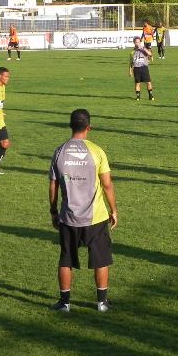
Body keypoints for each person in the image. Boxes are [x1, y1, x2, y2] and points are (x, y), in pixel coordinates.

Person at [48, 109, 118, 313]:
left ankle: (64, 303)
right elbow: (107, 185)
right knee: (101, 259)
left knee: (66, 259)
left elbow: (53, 186)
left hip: (68, 216)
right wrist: (113, 210)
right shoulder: (96, 151)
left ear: (70, 126)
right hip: (95, 217)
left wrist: (53, 211)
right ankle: (102, 303)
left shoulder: (59, 152)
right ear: (89, 127)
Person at [129, 36, 154, 101]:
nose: (137, 43)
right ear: (134, 43)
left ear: (140, 42)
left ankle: (151, 96)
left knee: (148, 82)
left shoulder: (144, 49)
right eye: (136, 42)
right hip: (136, 69)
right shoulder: (132, 52)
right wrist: (130, 71)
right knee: (137, 83)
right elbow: (131, 62)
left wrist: (143, 48)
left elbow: (150, 54)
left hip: (144, 68)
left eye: (138, 42)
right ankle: (138, 97)